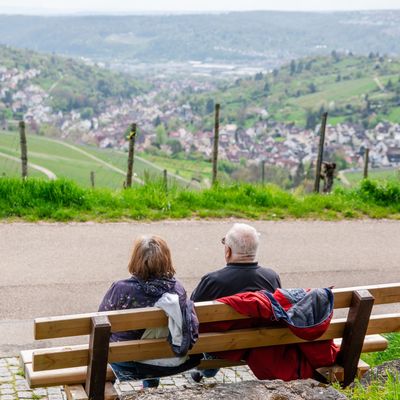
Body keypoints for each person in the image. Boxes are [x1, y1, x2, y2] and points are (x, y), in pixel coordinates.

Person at [99, 235, 199, 388]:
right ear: (166, 260)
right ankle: (150, 386)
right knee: (154, 338)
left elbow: (101, 320)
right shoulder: (177, 290)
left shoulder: (121, 289)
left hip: (125, 362)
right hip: (162, 357)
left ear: (136, 259)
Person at [190, 223, 281, 382]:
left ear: (228, 251)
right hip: (260, 344)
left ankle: (207, 370)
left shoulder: (213, 281)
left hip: (223, 348)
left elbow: (192, 312)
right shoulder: (272, 277)